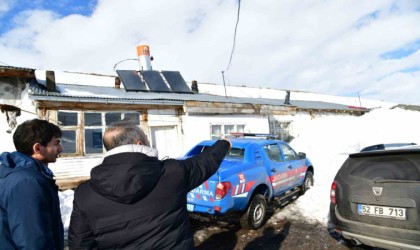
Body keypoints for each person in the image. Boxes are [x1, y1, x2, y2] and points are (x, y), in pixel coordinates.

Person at [68, 121, 231, 249]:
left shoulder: (85, 193)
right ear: (139, 143)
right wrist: (224, 144)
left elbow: (81, 243)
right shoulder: (172, 173)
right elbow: (205, 162)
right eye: (147, 139)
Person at [0, 118, 64, 249]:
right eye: (56, 143)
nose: (60, 149)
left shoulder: (16, 172)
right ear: (38, 148)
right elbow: (33, 239)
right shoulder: (26, 182)